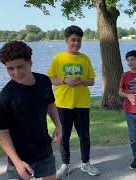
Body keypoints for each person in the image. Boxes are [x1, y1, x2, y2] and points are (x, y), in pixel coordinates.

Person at [0, 41, 62, 180]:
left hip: (44, 150)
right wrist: (17, 163)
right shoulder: (6, 96)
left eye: (20, 66)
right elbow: (2, 133)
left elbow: (50, 102)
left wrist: (58, 125)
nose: (16, 73)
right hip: (20, 157)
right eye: (10, 68)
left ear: (30, 62)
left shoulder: (44, 81)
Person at [47, 25, 100, 178]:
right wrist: (65, 80)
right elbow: (50, 79)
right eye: (73, 40)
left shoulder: (85, 58)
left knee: (85, 136)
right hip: (63, 104)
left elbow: (91, 81)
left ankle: (85, 163)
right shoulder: (59, 58)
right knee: (64, 136)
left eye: (79, 40)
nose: (76, 43)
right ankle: (65, 165)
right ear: (66, 40)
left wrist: (81, 80)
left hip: (82, 104)